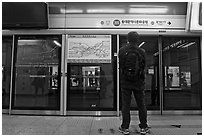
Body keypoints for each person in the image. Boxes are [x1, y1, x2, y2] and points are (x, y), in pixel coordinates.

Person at [118, 31, 149, 135]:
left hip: (125, 81)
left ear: (128, 39)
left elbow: (121, 65)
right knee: (141, 104)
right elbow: (144, 66)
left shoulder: (122, 50)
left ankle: (125, 127)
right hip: (139, 82)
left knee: (126, 105)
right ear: (137, 39)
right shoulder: (142, 51)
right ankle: (143, 127)